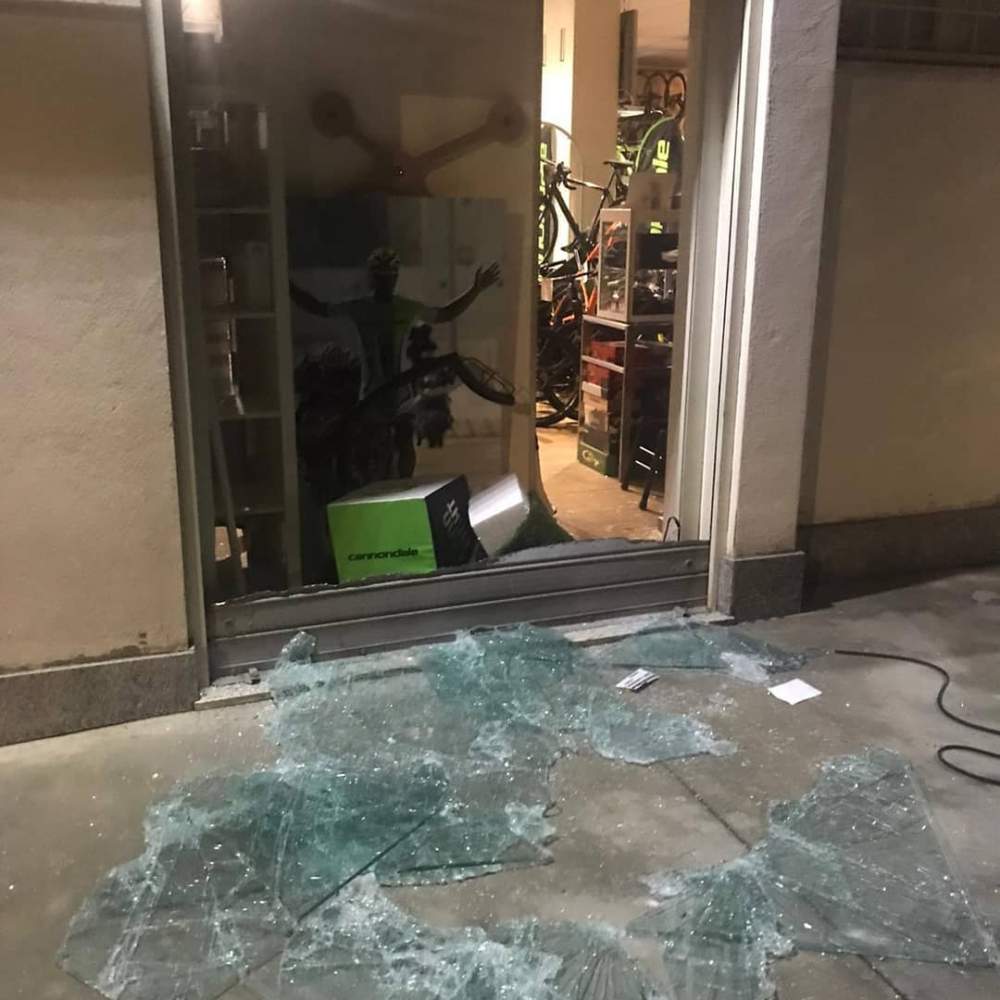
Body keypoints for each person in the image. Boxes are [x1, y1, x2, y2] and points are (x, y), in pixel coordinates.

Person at [289, 247, 501, 396]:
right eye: (383, 277)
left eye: (389, 277)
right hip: (378, 396)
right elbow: (318, 308)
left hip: (392, 395)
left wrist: (475, 290)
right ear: (375, 279)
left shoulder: (376, 307)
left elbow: (445, 314)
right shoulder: (370, 307)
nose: (386, 282)